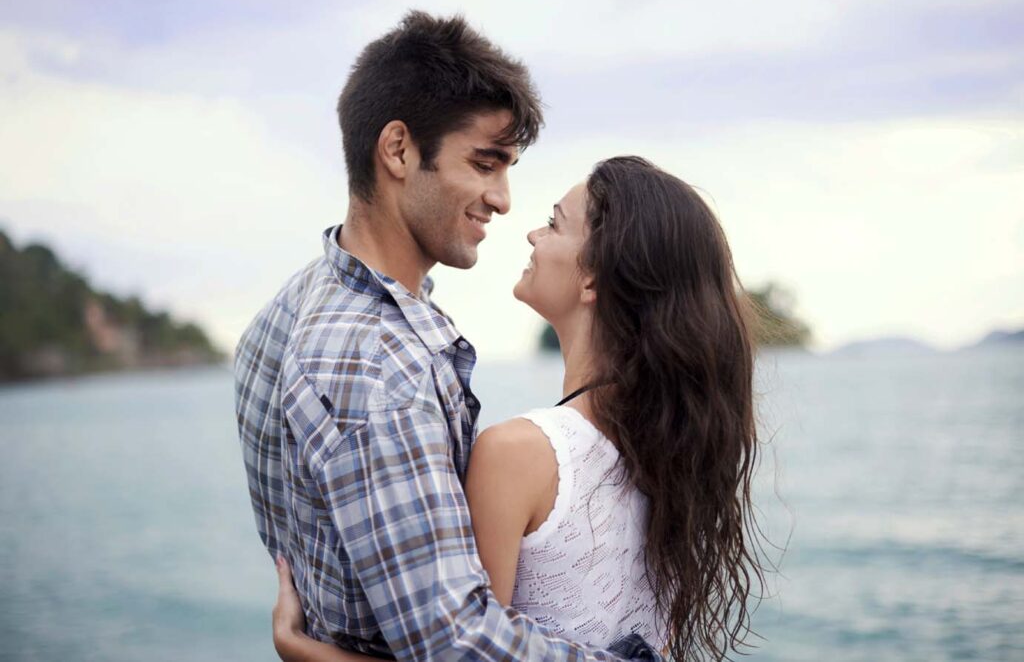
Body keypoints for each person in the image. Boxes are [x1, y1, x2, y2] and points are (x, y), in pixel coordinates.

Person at [234, 11, 663, 661]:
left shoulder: (290, 309)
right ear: (399, 149)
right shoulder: (381, 366)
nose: (504, 199)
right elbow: (456, 643)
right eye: (485, 164)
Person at [270, 156, 767, 662]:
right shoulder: (674, 454)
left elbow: (457, 652)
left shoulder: (519, 453)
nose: (532, 234)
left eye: (554, 224)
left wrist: (303, 650)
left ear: (593, 279)